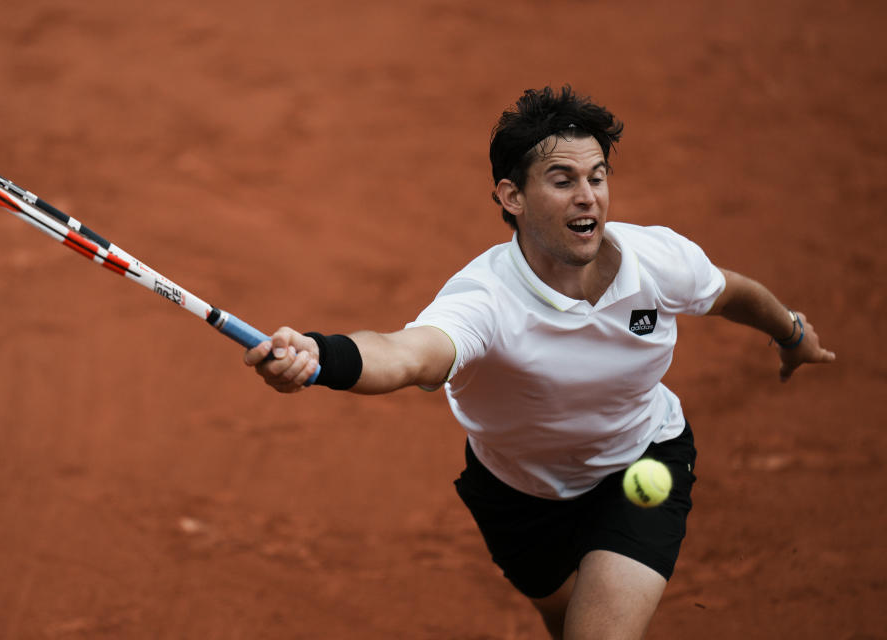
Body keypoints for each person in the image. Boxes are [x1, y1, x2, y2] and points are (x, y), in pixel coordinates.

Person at [242, 85, 835, 640]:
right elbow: (407, 354)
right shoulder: (485, 298)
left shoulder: (656, 259)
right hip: (514, 496)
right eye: (563, 179)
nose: (588, 196)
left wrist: (792, 332)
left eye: (597, 177)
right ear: (511, 196)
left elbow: (731, 293)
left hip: (639, 466)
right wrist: (324, 354)